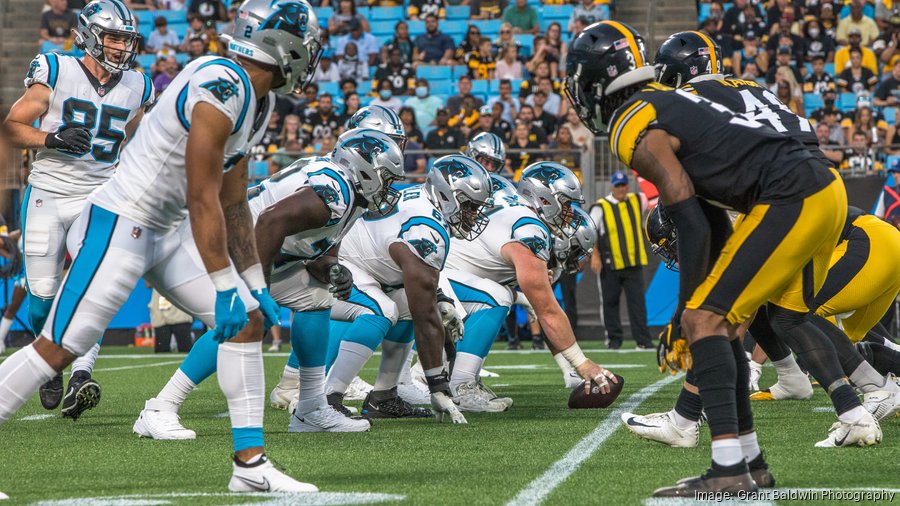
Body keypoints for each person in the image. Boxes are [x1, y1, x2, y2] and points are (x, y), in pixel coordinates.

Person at [0, 0, 326, 492]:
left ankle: (250, 466)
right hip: (122, 220)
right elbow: (202, 196)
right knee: (60, 347)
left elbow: (235, 201)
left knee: (248, 322)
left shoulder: (260, 100)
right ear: (282, 46)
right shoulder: (219, 82)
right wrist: (222, 283)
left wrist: (254, 284)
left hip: (166, 228)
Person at [566, 21, 875, 495]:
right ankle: (749, 464)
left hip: (791, 194)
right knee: (725, 323)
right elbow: (707, 219)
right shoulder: (678, 102)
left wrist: (687, 309)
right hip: (817, 189)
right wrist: (695, 305)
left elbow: (687, 218)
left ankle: (729, 469)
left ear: (593, 83)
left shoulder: (634, 117)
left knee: (706, 320)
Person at [138, 129, 406, 437]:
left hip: (260, 249)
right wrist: (257, 290)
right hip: (224, 244)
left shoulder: (351, 195)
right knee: (245, 321)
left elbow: (322, 250)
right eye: (386, 177)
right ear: (364, 168)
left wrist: (334, 270)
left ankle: (310, 408)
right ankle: (161, 406)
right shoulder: (335, 192)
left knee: (316, 299)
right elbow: (269, 222)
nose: (389, 186)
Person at [5, 0, 151, 419]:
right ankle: (47, 363)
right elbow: (10, 128)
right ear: (88, 34)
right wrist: (50, 139)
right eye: (114, 38)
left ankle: (82, 371)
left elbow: (135, 138)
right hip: (48, 192)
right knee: (41, 297)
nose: (122, 48)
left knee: (95, 283)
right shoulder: (56, 70)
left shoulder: (139, 85)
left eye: (127, 40)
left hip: (100, 195)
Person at [324, 155, 492, 423]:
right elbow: (426, 314)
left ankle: (384, 396)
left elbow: (420, 293)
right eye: (470, 206)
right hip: (333, 266)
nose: (474, 215)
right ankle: (328, 398)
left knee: (404, 308)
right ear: (447, 196)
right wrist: (438, 385)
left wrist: (441, 298)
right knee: (383, 310)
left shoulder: (425, 203)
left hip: (360, 264)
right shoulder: (427, 228)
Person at [443, 164, 615, 411]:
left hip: (444, 272)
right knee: (497, 297)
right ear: (544, 198)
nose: (568, 213)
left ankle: (457, 378)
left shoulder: (514, 208)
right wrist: (582, 363)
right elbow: (547, 311)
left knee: (502, 294)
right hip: (437, 275)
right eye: (565, 204)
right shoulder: (530, 229)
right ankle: (461, 385)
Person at [588, 171, 652, 350]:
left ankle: (643, 341)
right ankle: (614, 340)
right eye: (618, 185)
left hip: (634, 261)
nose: (621, 189)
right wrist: (595, 255)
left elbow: (654, 194)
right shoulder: (600, 206)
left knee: (638, 304)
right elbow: (590, 232)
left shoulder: (637, 200)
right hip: (610, 263)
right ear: (612, 186)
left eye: (624, 185)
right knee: (610, 302)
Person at [149, 289, 195, 353]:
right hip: (161, 315)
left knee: (185, 351)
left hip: (180, 311)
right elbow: (148, 284)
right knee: (162, 351)